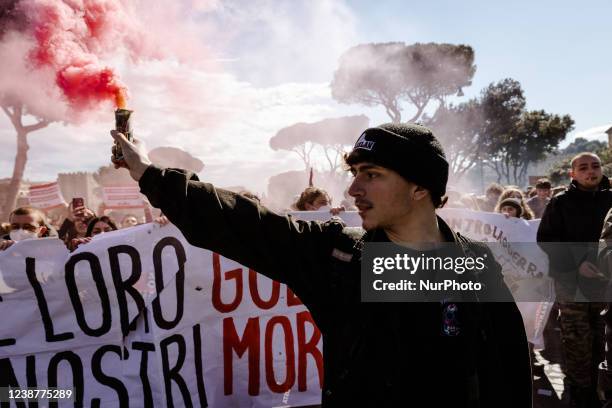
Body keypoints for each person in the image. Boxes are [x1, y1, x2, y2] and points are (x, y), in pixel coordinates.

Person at [110, 122, 531, 407]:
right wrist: (150, 173)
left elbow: (508, 373)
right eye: (355, 173)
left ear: (421, 186)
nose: (353, 188)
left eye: (371, 174)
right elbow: (244, 222)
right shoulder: (339, 257)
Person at [537, 152, 612, 407]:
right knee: (578, 344)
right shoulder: (560, 203)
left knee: (605, 343)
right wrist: (577, 265)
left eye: (595, 166)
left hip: (607, 287)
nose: (590, 171)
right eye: (583, 168)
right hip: (572, 287)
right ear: (573, 174)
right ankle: (581, 395)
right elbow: (546, 240)